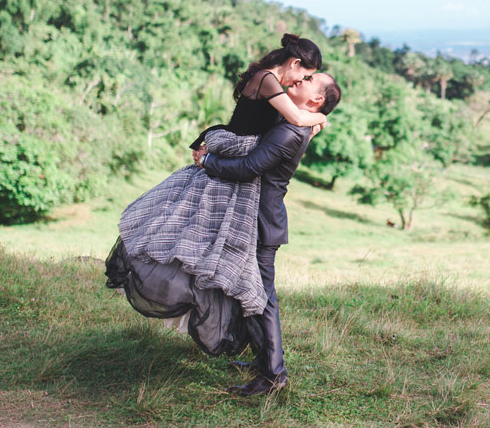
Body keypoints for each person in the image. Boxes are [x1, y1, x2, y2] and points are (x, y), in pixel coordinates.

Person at [105, 35, 329, 360]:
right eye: (304, 74)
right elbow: (295, 118)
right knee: (197, 246)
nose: (301, 81)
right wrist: (320, 118)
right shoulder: (267, 79)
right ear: (294, 63)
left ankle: (258, 355)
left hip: (234, 169)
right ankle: (264, 360)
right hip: (230, 168)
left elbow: (286, 120)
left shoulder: (269, 79)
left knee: (221, 259)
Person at [195, 72, 341, 396]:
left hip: (262, 221)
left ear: (317, 99)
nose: (300, 78)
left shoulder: (291, 131)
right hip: (255, 218)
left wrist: (208, 161)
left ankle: (274, 374)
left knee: (264, 299)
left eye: (310, 79)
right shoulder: (295, 119)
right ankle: (264, 361)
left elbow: (249, 167)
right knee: (250, 293)